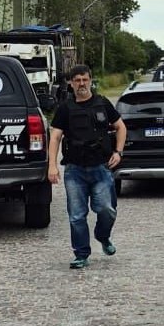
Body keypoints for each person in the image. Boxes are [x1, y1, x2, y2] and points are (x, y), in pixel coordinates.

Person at [48, 65, 127, 269]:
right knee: (76, 215)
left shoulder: (102, 103)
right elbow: (55, 137)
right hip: (75, 170)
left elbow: (120, 127)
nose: (81, 84)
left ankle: (103, 236)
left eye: (84, 79)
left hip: (101, 168)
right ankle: (81, 254)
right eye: (77, 80)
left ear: (90, 80)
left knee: (106, 209)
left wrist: (118, 152)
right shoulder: (65, 108)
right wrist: (52, 166)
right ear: (71, 83)